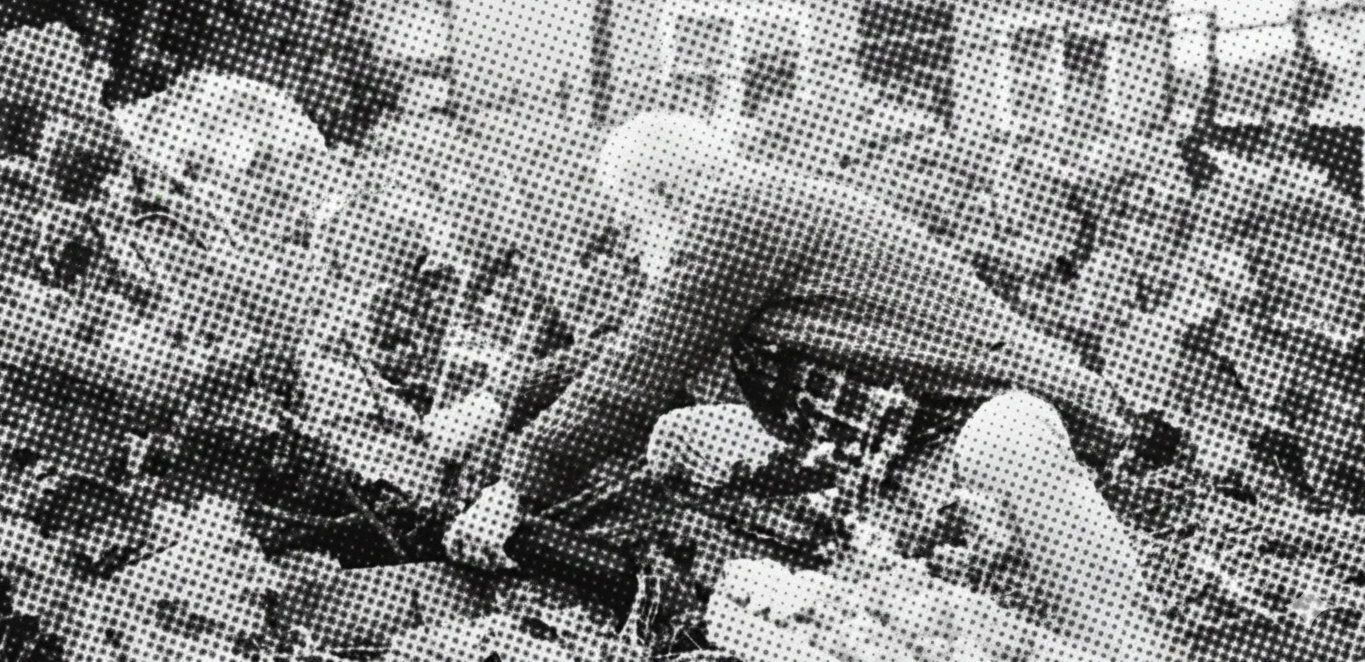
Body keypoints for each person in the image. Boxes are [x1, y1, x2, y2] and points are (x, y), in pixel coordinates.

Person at [441, 111, 1132, 570]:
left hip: (985, 435)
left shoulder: (734, 214)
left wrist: (511, 492)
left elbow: (638, 368)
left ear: (661, 194)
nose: (628, 240)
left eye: (628, 218)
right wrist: (496, 402)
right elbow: (629, 342)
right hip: (923, 430)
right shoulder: (758, 203)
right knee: (685, 440)